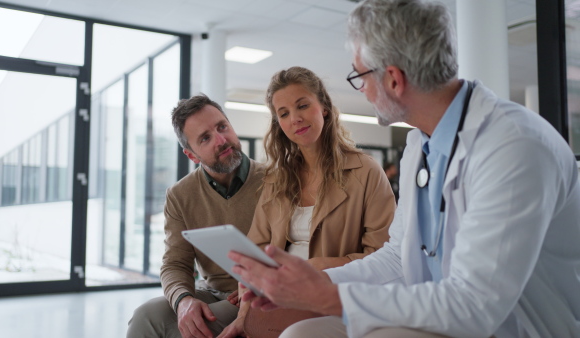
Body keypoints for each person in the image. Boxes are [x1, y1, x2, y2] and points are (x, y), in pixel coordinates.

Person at [229, 0, 580, 337]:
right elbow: (397, 258)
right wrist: (310, 284)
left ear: (394, 80)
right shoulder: (420, 146)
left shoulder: (512, 146)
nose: (362, 90)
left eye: (360, 76)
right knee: (303, 333)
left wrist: (325, 296)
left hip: (506, 327)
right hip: (432, 310)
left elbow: (474, 305)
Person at [218, 66, 395, 337]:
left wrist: (317, 266)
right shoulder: (276, 179)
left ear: (323, 107)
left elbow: (385, 258)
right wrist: (244, 315)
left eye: (303, 106)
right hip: (274, 297)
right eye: (284, 114)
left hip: (333, 296)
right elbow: (254, 254)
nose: (295, 119)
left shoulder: (366, 172)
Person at [126, 94, 265, 338]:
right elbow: (175, 263)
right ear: (191, 155)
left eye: (222, 127)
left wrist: (254, 285)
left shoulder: (274, 180)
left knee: (196, 329)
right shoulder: (180, 195)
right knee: (145, 317)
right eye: (205, 138)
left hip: (262, 293)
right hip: (211, 291)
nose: (221, 140)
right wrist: (183, 301)